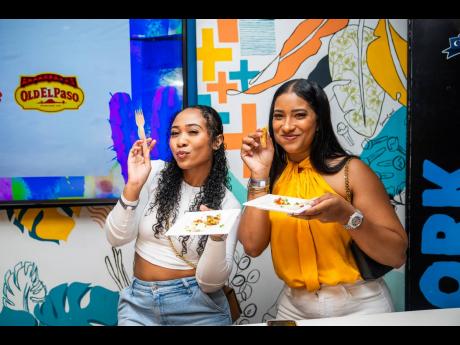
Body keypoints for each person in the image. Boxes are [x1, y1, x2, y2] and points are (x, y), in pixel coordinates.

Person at [238, 79, 408, 320]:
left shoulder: (352, 171)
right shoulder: (271, 178)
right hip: (294, 306)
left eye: (299, 115)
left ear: (318, 121)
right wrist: (259, 174)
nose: (286, 126)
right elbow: (252, 246)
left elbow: (396, 254)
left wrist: (346, 216)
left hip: (360, 305)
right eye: (278, 116)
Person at [105, 105, 241, 325]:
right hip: (139, 304)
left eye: (193, 132)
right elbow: (116, 238)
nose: (181, 140)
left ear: (216, 142)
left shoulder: (227, 204)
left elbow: (210, 284)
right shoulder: (154, 173)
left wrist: (216, 237)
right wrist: (133, 185)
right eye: (175, 133)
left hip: (199, 309)